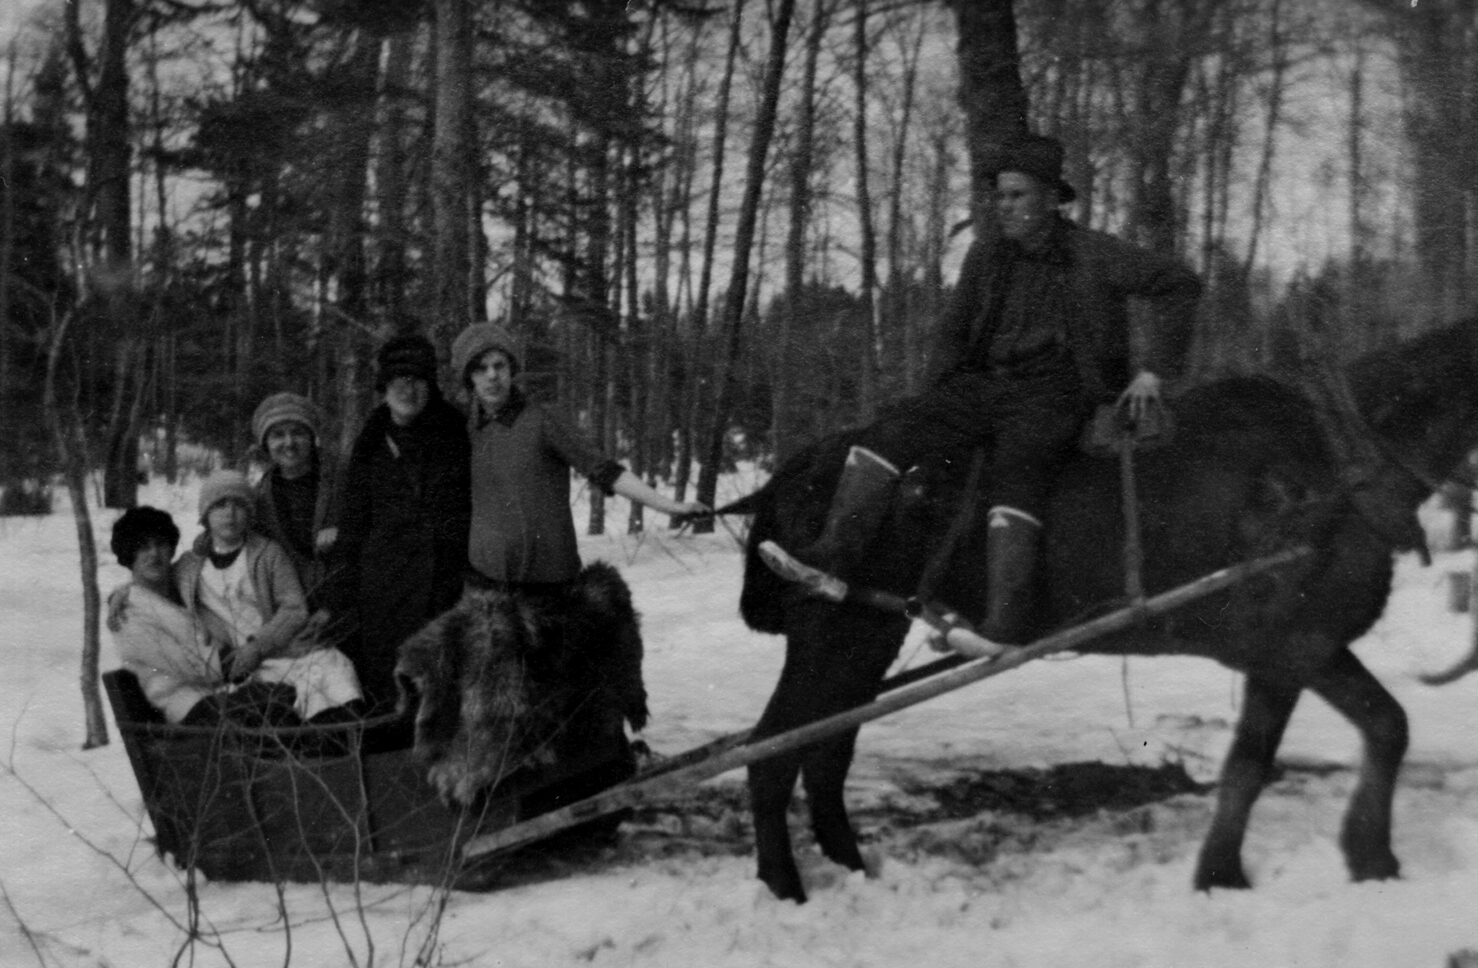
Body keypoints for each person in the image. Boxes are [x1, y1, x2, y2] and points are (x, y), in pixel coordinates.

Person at [762, 132, 1201, 657]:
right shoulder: (987, 256)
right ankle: (832, 559)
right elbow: (954, 331)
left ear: (1050, 198)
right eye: (1000, 196)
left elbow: (1179, 282)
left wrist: (1155, 369)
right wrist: (934, 400)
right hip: (984, 385)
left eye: (1017, 195)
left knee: (1018, 470)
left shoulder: (1096, 253)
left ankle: (1005, 625)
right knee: (893, 430)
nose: (1004, 206)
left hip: (1058, 393)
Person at [450, 321, 710, 593]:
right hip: (487, 585)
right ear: (469, 377)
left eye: (499, 365)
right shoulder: (465, 430)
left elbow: (606, 471)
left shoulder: (542, 420)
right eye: (480, 368)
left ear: (511, 369)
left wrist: (670, 506)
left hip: (548, 585)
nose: (492, 375)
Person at [329, 333, 472, 706]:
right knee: (387, 685)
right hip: (384, 587)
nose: (408, 389)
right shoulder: (371, 440)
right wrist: (342, 589)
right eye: (398, 380)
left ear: (430, 384)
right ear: (384, 385)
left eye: (417, 380)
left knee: (441, 688)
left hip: (444, 586)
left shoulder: (456, 432)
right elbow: (354, 519)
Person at [173, 470, 366, 723]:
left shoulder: (267, 554)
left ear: (250, 514)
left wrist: (258, 646)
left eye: (239, 505)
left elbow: (294, 609)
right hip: (234, 665)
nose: (230, 513)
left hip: (278, 650)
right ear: (205, 514)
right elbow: (156, 587)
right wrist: (126, 593)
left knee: (333, 670)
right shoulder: (189, 567)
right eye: (220, 505)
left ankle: (335, 738)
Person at [106, 505, 302, 727]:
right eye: (142, 547)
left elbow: (208, 548)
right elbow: (191, 665)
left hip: (223, 693)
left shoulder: (180, 583)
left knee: (295, 693)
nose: (154, 554)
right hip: (186, 706)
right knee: (278, 701)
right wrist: (246, 658)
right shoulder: (127, 613)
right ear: (129, 554)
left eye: (160, 544)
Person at [248, 391, 338, 604]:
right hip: (295, 605)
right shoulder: (260, 498)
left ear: (311, 438)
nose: (289, 442)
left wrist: (343, 532)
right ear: (266, 444)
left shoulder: (343, 478)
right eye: (278, 435)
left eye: (298, 433)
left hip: (352, 600)